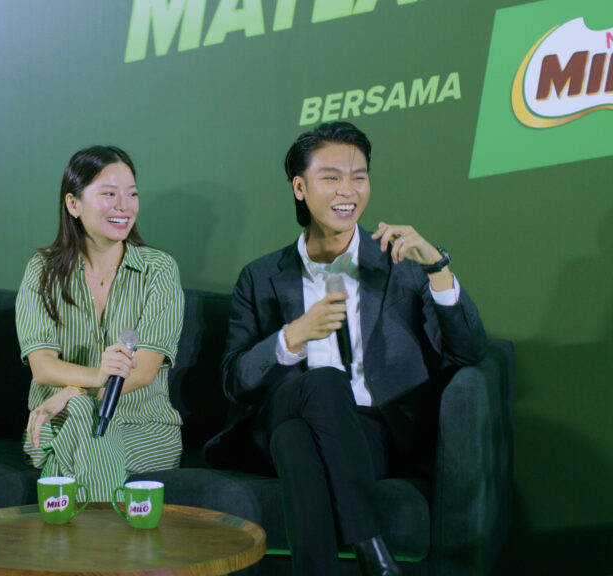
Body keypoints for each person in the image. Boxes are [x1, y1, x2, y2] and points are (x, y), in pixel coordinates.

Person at [203, 122, 487, 576]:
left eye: (359, 176)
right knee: (322, 383)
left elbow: (470, 352)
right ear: (300, 187)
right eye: (331, 177)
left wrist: (438, 267)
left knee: (297, 443)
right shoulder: (260, 277)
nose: (348, 191)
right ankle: (373, 549)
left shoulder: (400, 266)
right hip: (279, 410)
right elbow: (233, 381)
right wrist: (292, 336)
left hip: (368, 431)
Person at [16, 145, 185, 500]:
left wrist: (71, 392)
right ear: (73, 204)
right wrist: (91, 382)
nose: (124, 205)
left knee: (81, 439)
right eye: (109, 194)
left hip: (143, 428)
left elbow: (142, 372)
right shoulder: (42, 270)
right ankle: (111, 552)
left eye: (132, 194)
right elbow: (43, 367)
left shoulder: (159, 270)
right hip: (54, 421)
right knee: (79, 419)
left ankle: (71, 549)